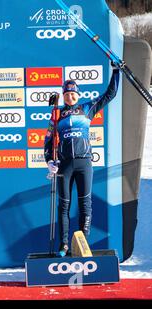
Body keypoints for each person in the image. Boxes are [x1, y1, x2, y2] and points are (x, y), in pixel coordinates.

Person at [44, 65, 120, 257]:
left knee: (85, 204)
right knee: (64, 205)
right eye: (67, 94)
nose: (70, 97)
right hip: (64, 165)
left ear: (78, 95)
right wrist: (49, 162)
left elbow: (109, 95)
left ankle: (83, 242)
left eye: (73, 93)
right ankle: (64, 245)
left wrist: (116, 72)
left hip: (84, 163)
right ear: (63, 96)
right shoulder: (56, 115)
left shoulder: (87, 108)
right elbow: (48, 140)